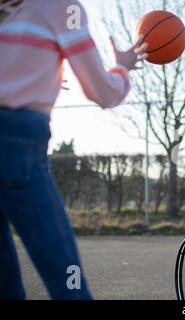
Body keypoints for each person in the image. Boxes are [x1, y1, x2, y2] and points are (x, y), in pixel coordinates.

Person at [0, 0, 147, 299]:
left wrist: (40, 71)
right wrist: (123, 67)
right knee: (67, 280)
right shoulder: (61, 7)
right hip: (16, 142)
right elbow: (102, 92)